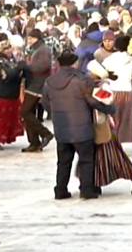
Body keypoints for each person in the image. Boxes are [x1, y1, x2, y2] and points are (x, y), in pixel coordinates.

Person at [42, 50, 116, 200]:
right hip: (82, 128)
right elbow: (92, 101)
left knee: (63, 161)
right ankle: (86, 190)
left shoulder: (49, 82)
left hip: (61, 129)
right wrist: (109, 109)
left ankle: (60, 190)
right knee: (87, 159)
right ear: (74, 63)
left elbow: (45, 103)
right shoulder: (82, 80)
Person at [86, 60, 132, 195]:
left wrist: (91, 97)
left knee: (109, 156)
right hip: (100, 126)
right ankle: (96, 184)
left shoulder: (103, 86)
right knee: (105, 156)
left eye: (90, 72)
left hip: (103, 126)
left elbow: (106, 101)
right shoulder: (95, 85)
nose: (88, 74)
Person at [102, 36, 132, 143]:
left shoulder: (109, 60)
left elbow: (102, 74)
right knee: (125, 119)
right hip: (127, 92)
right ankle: (122, 139)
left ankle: (113, 139)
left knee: (112, 118)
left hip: (112, 91)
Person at [21, 29, 54, 153]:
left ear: (37, 38)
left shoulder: (43, 49)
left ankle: (45, 133)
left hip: (37, 84)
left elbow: (42, 66)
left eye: (31, 38)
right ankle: (34, 142)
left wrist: (27, 66)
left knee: (24, 111)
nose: (29, 41)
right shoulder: (37, 49)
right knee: (29, 112)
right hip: (33, 83)